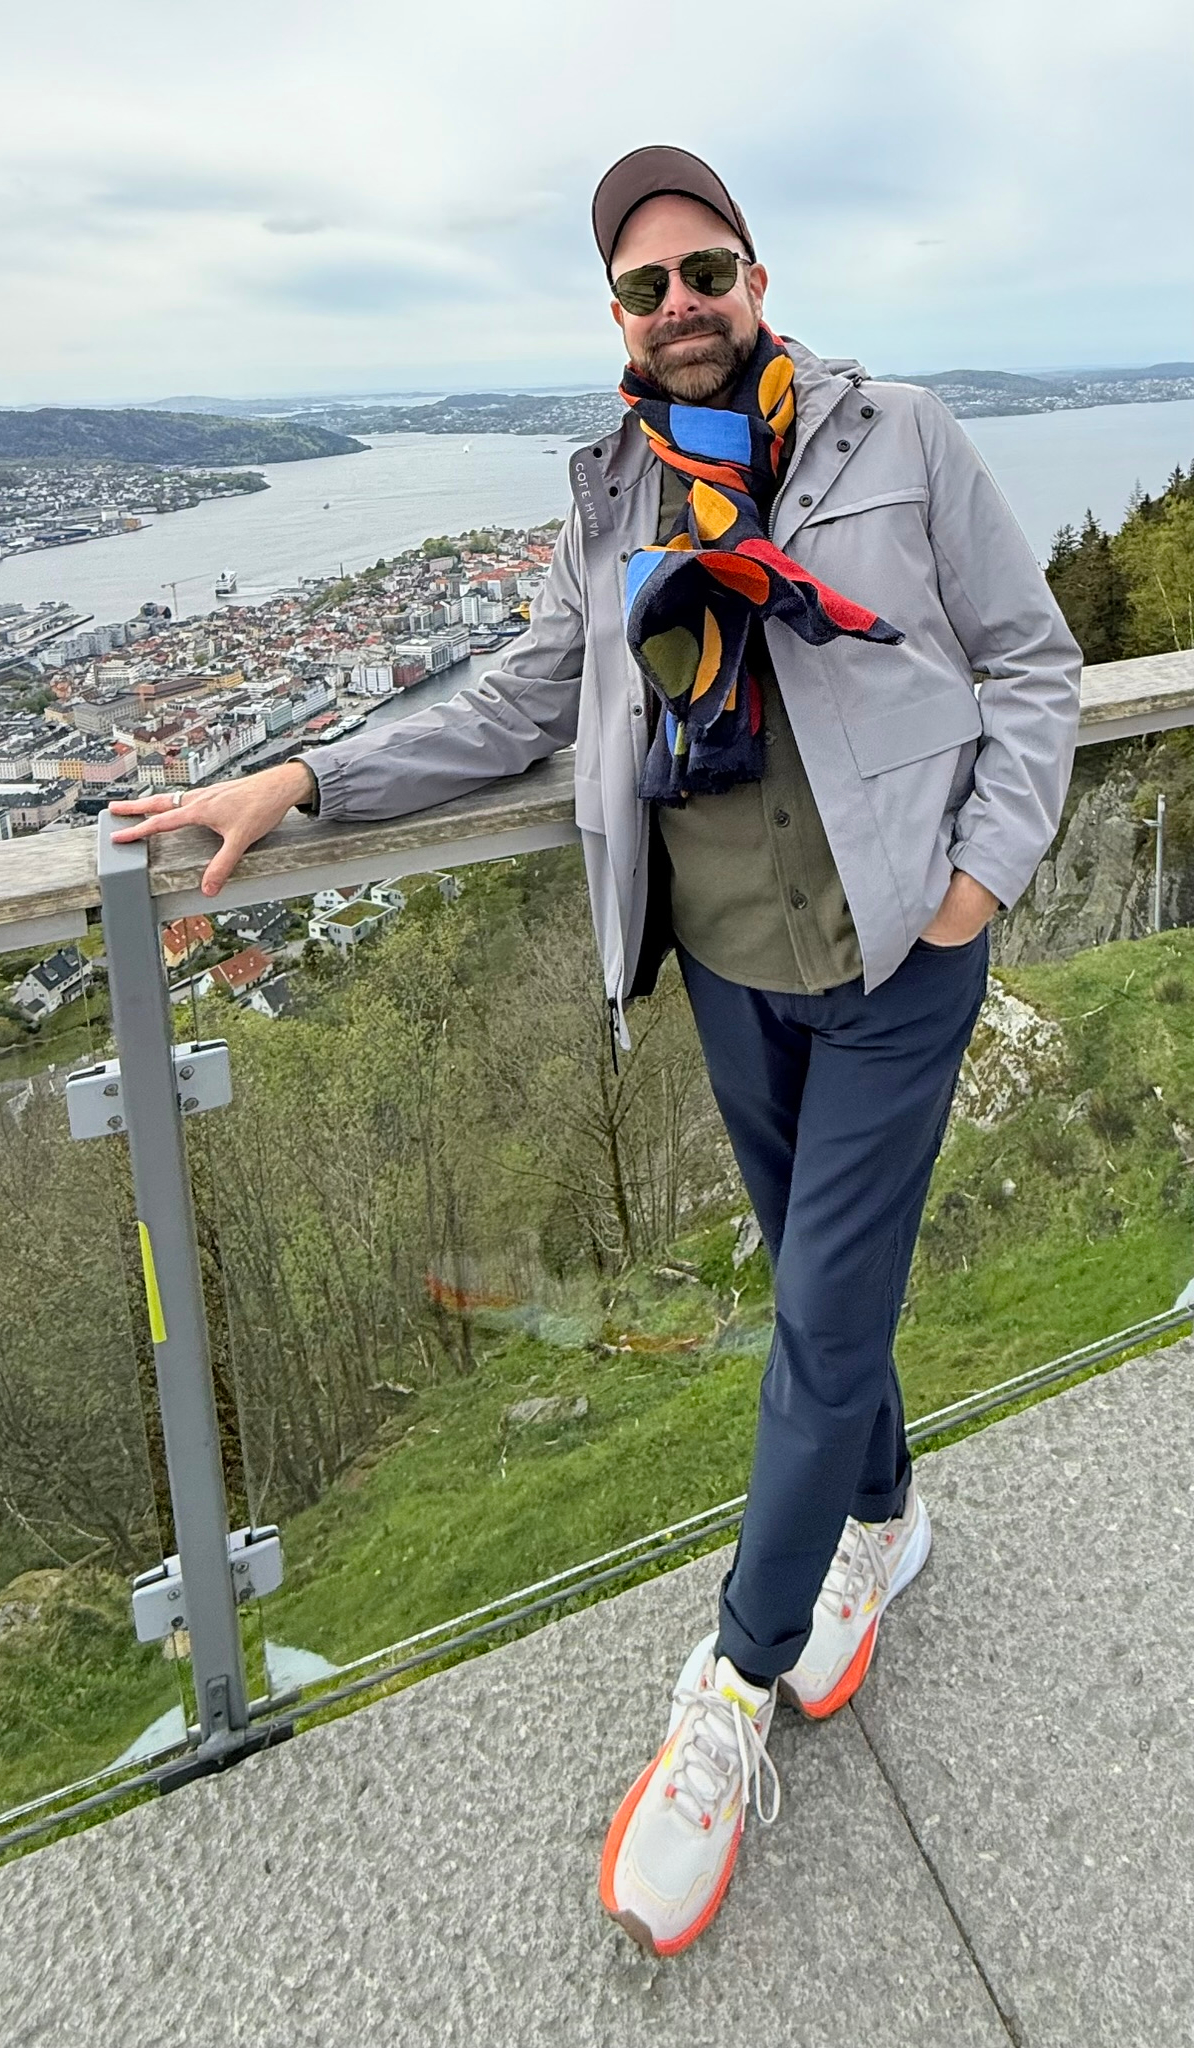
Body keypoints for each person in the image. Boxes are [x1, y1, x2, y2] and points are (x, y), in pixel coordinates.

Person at [109, 144, 1081, 1957]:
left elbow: (1032, 664)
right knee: (818, 1287)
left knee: (823, 1319)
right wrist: (304, 777)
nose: (681, 304)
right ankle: (882, 1517)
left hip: (899, 956)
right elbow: (521, 700)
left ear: (758, 279)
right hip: (726, 967)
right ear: (617, 318)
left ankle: (731, 1688)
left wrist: (978, 883)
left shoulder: (905, 436)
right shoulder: (611, 495)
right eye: (647, 286)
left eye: (707, 270)